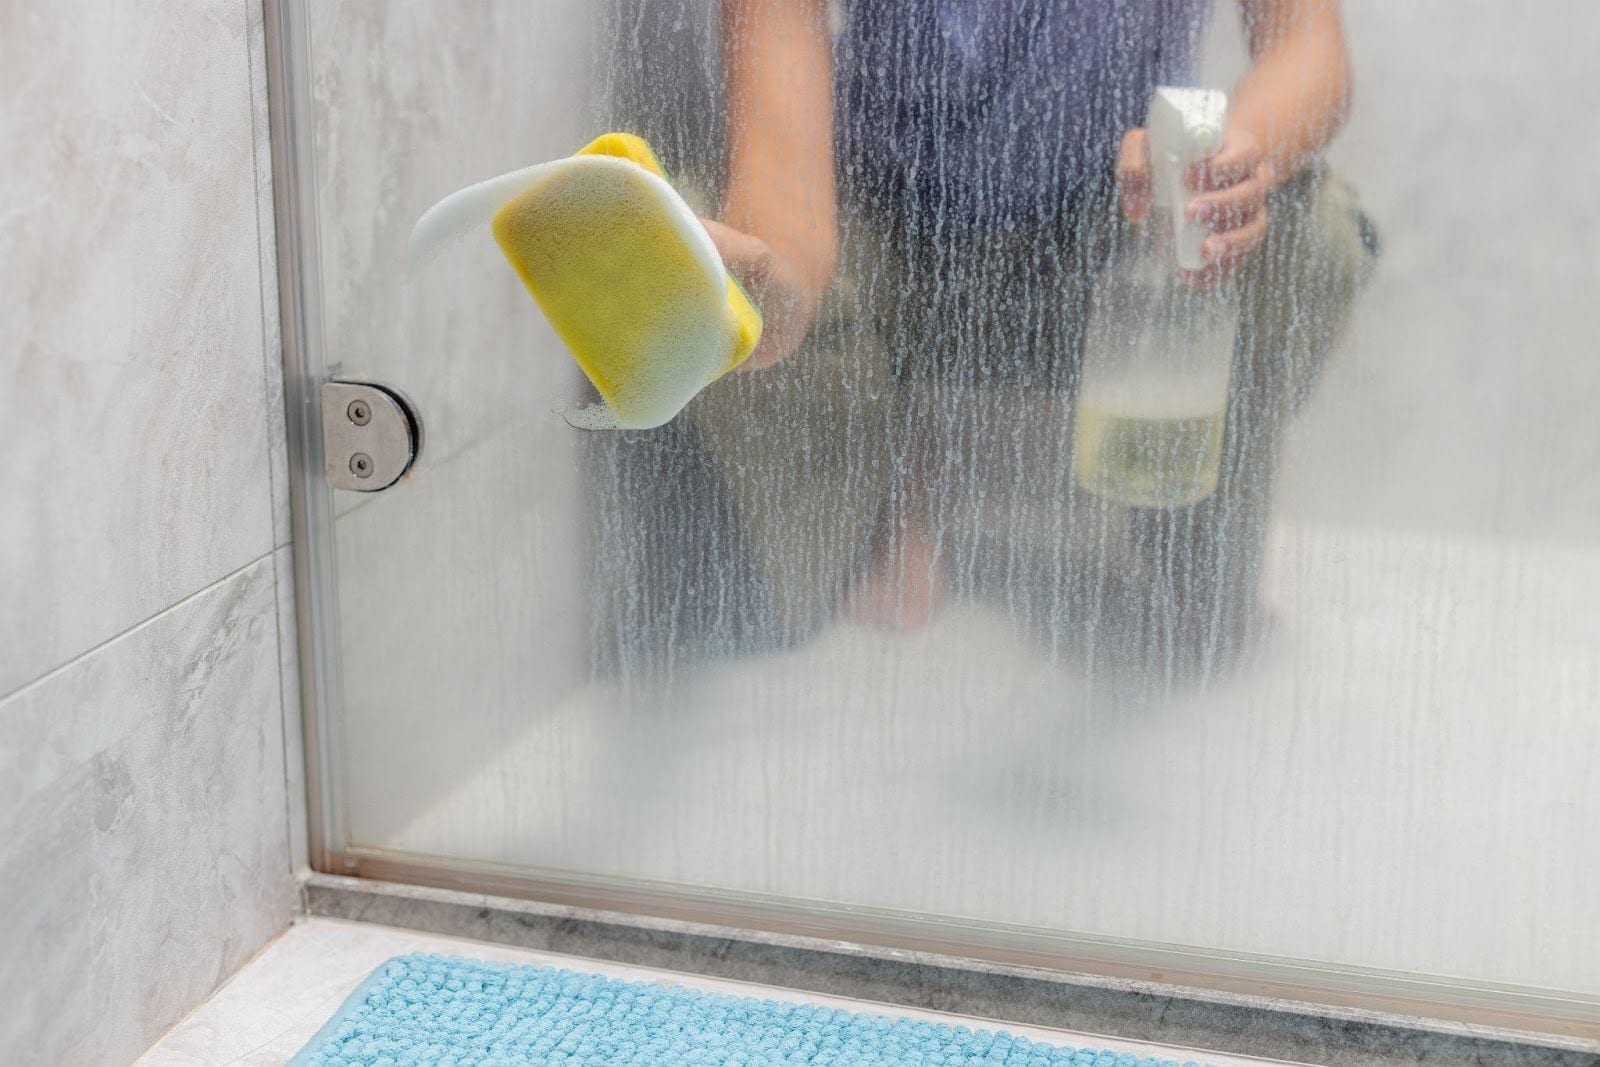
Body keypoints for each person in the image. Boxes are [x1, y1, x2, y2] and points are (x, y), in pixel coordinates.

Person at [589, 0, 1376, 676]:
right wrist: (774, 286)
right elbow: (782, 167)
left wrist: (1220, 162)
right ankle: (892, 484)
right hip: (885, 236)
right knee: (692, 236)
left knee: (1307, 228)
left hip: (1113, 231)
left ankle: (1173, 538)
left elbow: (1308, 42)